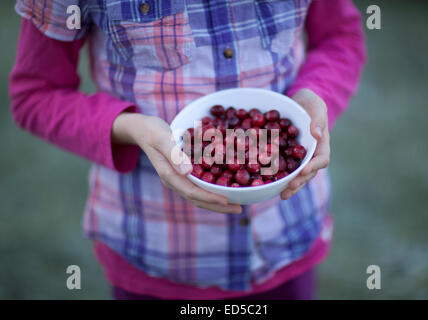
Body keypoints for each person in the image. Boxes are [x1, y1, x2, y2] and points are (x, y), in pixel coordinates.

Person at [9, 0, 366, 299]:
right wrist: (131, 128)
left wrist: (315, 94)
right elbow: (35, 95)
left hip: (287, 236)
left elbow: (340, 35)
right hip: (153, 251)